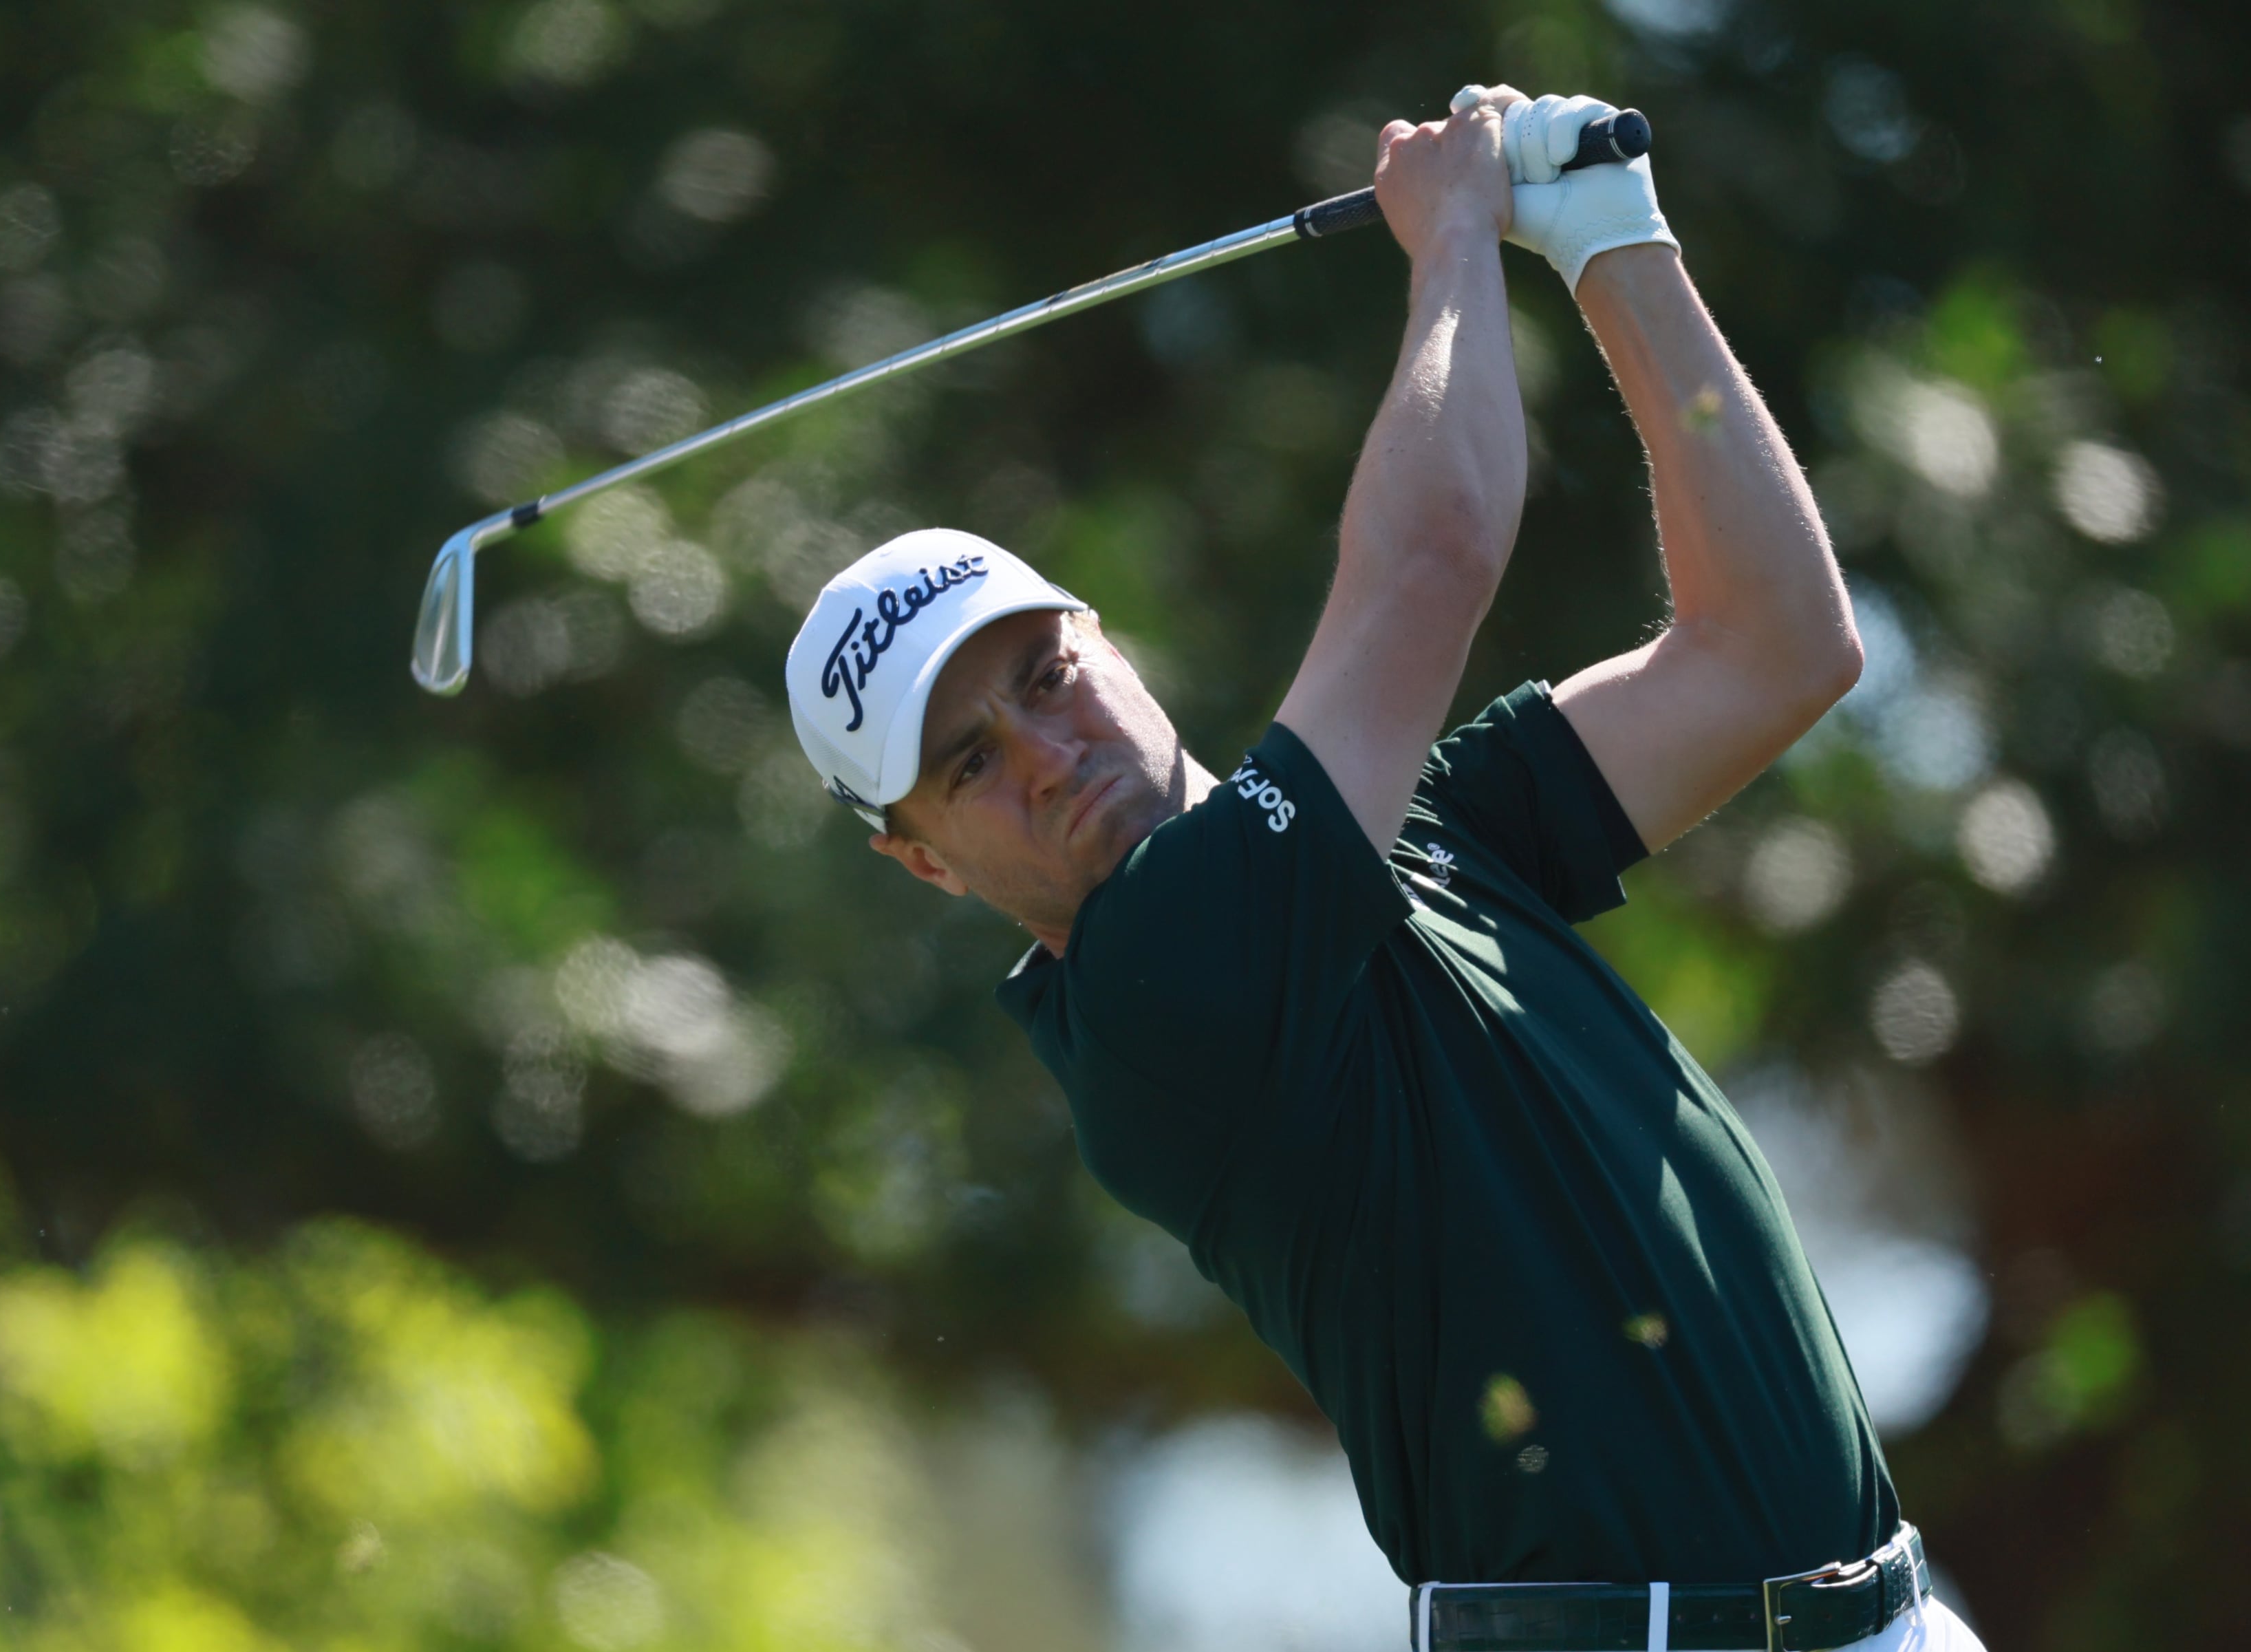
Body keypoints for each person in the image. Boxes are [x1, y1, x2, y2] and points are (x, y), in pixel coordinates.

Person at [785, 85, 1985, 1652]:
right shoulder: (1161, 991)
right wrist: (1460, 239)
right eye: (967, 766)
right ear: (921, 863)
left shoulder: (1425, 831)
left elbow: (1776, 648)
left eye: (1045, 677)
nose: (1046, 755)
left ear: (1105, 641)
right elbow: (1432, 554)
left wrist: (1616, 242)